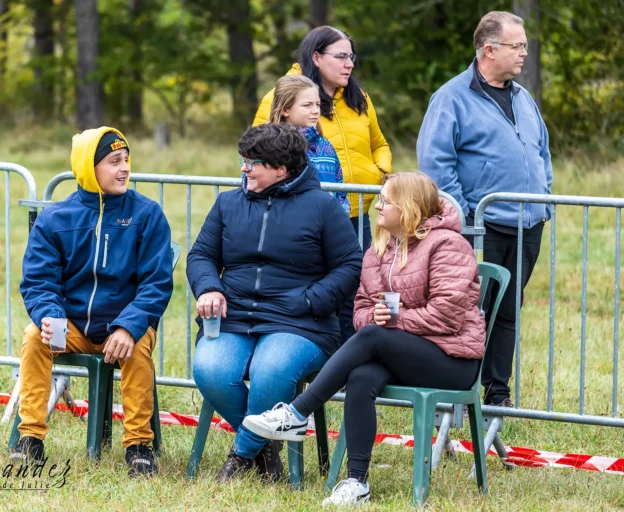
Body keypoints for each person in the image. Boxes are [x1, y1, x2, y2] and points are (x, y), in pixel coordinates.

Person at [243, 172, 485, 507]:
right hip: (400, 353)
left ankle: (298, 413)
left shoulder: (448, 245)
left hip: (452, 360)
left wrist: (391, 322)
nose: (378, 206)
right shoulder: (379, 249)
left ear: (409, 207)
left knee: (373, 336)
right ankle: (357, 482)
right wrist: (377, 318)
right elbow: (361, 310)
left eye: (386, 201)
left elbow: (448, 314)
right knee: (361, 374)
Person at [186, 123, 362, 483]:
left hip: (300, 323)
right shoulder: (228, 203)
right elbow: (201, 254)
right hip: (234, 318)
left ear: (281, 169)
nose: (243, 169)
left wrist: (311, 300)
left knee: (272, 371)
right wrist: (208, 288)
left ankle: (241, 454)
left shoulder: (324, 208)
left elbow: (350, 266)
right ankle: (266, 448)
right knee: (210, 369)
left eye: (252, 163)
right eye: (243, 161)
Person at [13, 127, 174, 477]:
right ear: (89, 167)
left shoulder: (147, 215)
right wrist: (50, 318)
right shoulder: (55, 219)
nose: (125, 168)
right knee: (33, 338)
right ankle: (30, 439)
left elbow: (156, 283)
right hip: (73, 326)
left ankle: (138, 445)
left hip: (125, 327)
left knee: (138, 345)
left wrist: (129, 326)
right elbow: (38, 281)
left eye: (127, 160)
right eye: (114, 161)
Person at [417, 11, 552, 408]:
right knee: (470, 314)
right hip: (483, 227)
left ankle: (498, 393)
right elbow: (436, 164)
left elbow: (542, 151)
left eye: (525, 45)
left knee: (508, 311)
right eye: (517, 46)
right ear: (489, 50)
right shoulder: (451, 97)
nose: (525, 53)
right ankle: (456, 397)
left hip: (528, 225)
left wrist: (544, 198)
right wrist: (469, 216)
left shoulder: (522, 96)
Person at [254, 25, 393, 344]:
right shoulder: (284, 94)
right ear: (316, 57)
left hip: (357, 215)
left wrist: (380, 171)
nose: (350, 63)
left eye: (352, 56)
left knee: (358, 292)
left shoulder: (360, 97)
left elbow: (380, 143)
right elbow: (258, 151)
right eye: (341, 56)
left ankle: (347, 369)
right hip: (305, 221)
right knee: (321, 292)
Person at [269, 74, 349, 215]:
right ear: (285, 109)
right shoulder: (268, 146)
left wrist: (339, 220)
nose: (316, 111)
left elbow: (340, 192)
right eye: (307, 105)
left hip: (326, 229)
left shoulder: (325, 146)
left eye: (317, 104)